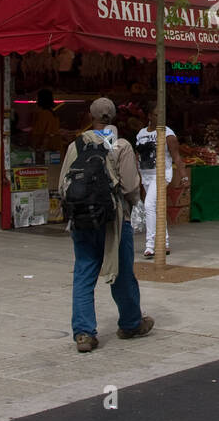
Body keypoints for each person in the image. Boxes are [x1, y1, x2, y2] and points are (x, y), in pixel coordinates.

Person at [62, 97, 151, 353]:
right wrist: (135, 206)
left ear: (90, 116)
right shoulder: (120, 145)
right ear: (114, 117)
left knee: (83, 273)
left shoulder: (76, 145)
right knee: (122, 274)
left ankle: (84, 333)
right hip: (114, 220)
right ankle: (131, 323)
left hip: (81, 220)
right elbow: (130, 186)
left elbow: (63, 185)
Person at [134, 104, 187, 258]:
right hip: (146, 175)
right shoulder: (141, 133)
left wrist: (183, 175)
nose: (160, 118)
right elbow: (138, 155)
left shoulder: (167, 133)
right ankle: (165, 242)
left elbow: (176, 155)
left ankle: (151, 245)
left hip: (162, 173)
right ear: (150, 115)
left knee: (149, 205)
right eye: (157, 114)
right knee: (156, 207)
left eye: (162, 115)